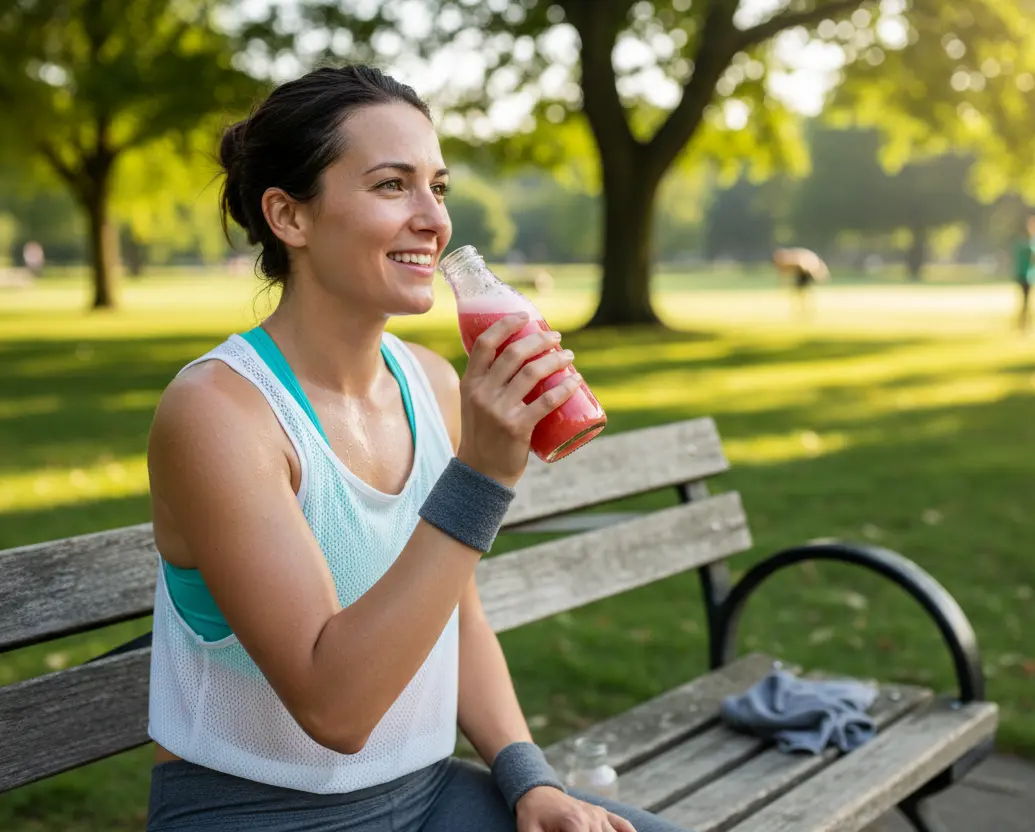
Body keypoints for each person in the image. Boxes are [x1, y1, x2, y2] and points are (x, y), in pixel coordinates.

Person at [144, 65, 684, 832]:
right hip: (263, 814)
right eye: (393, 185)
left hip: (428, 795)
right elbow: (335, 709)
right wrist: (485, 476)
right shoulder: (220, 414)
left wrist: (532, 781)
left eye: (439, 187)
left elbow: (453, 614)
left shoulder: (429, 382)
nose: (434, 218)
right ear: (289, 216)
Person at [1011, 215, 1035, 332]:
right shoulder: (1027, 243)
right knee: (1026, 301)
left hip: (1033, 276)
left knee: (1028, 301)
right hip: (1024, 275)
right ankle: (1024, 324)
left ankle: (1025, 323)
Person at [772, 246, 829, 321]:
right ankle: (804, 308)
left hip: (807, 271)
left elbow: (809, 266)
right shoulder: (791, 258)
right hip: (804, 272)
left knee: (801, 292)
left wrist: (817, 275)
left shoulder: (793, 260)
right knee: (800, 292)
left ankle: (806, 309)